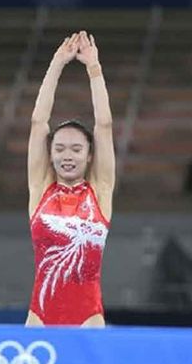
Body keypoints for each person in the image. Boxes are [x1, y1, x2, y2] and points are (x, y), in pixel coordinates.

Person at [25, 31, 115, 327]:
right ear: (49, 154)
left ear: (90, 155)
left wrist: (94, 69)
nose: (68, 155)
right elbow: (39, 123)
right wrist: (56, 64)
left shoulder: (100, 191)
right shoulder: (40, 189)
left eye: (77, 149)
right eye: (60, 148)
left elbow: (104, 126)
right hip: (40, 316)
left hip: (88, 317)